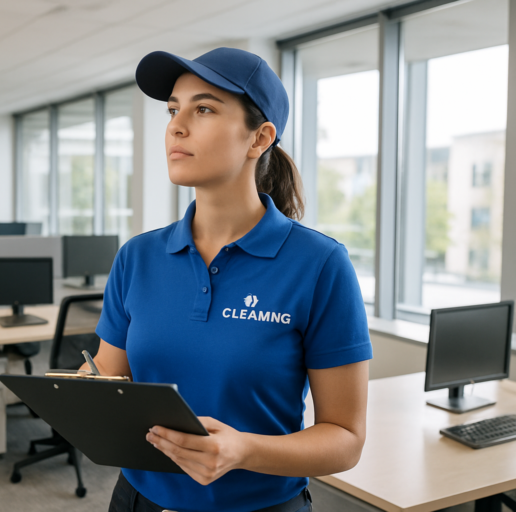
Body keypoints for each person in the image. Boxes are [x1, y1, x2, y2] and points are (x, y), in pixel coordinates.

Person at [84, 47, 372, 512]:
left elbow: (345, 440)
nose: (176, 126)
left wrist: (244, 451)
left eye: (203, 109)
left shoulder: (319, 264)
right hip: (138, 500)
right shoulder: (137, 257)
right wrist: (80, 392)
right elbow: (108, 371)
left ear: (259, 138)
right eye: (173, 110)